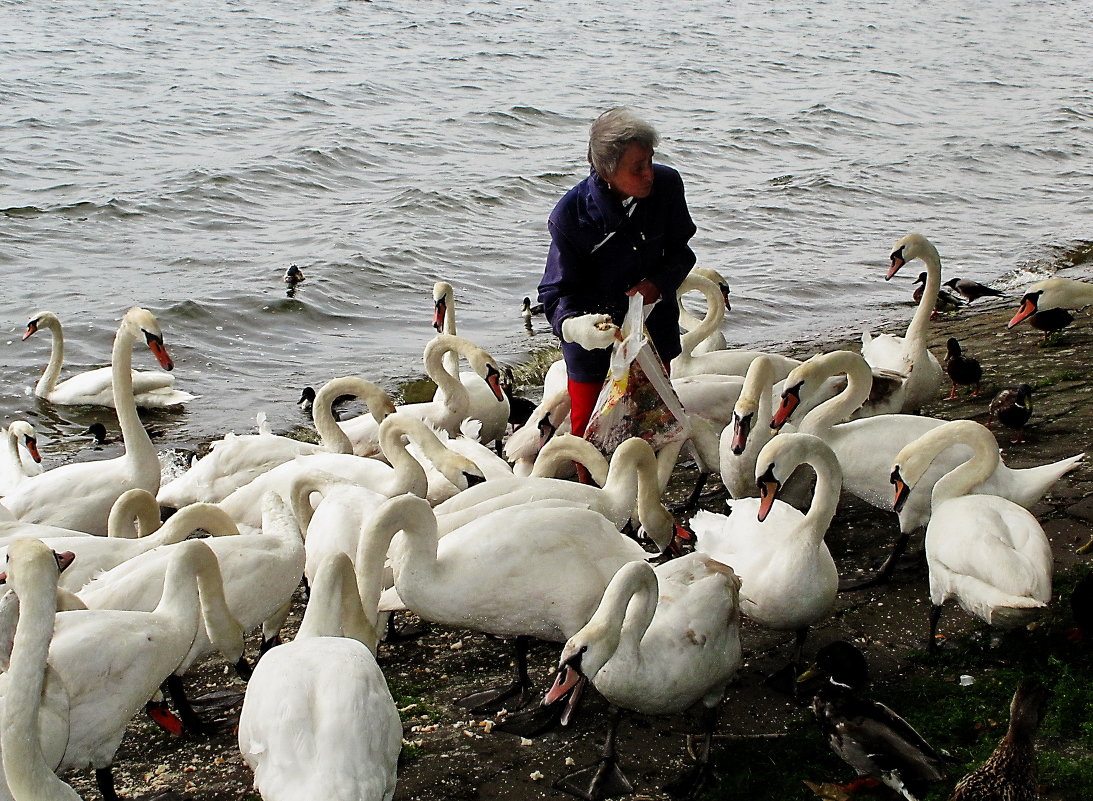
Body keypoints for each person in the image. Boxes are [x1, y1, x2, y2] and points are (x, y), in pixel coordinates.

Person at [537, 107, 697, 439]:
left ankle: (642, 487)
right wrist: (577, 327)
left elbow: (682, 251)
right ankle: (590, 487)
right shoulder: (570, 217)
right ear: (606, 172)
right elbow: (554, 295)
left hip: (649, 333)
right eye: (637, 168)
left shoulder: (667, 186)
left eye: (650, 162)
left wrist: (659, 283)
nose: (649, 174)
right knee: (588, 434)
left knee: (651, 421)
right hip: (594, 340)